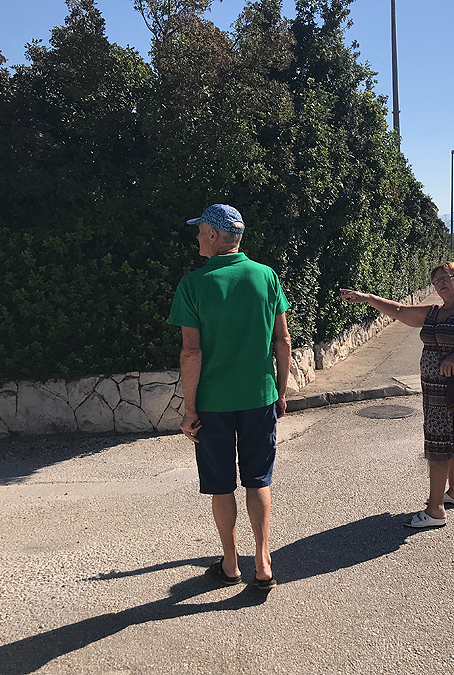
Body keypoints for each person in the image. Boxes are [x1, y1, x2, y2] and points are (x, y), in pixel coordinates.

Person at [168, 204, 291, 590]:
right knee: (258, 480)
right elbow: (283, 340)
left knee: (221, 485)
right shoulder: (266, 276)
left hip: (213, 404)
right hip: (259, 397)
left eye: (200, 230)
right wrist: (280, 392)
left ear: (214, 235)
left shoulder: (193, 284)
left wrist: (189, 410)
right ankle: (264, 562)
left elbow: (191, 352)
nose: (197, 237)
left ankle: (231, 563)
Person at [340, 262, 454, 528]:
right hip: (434, 391)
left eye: (445, 278)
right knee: (451, 442)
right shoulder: (433, 312)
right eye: (436, 281)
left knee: (439, 448)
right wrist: (368, 298)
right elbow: (400, 311)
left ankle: (435, 510)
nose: (440, 284)